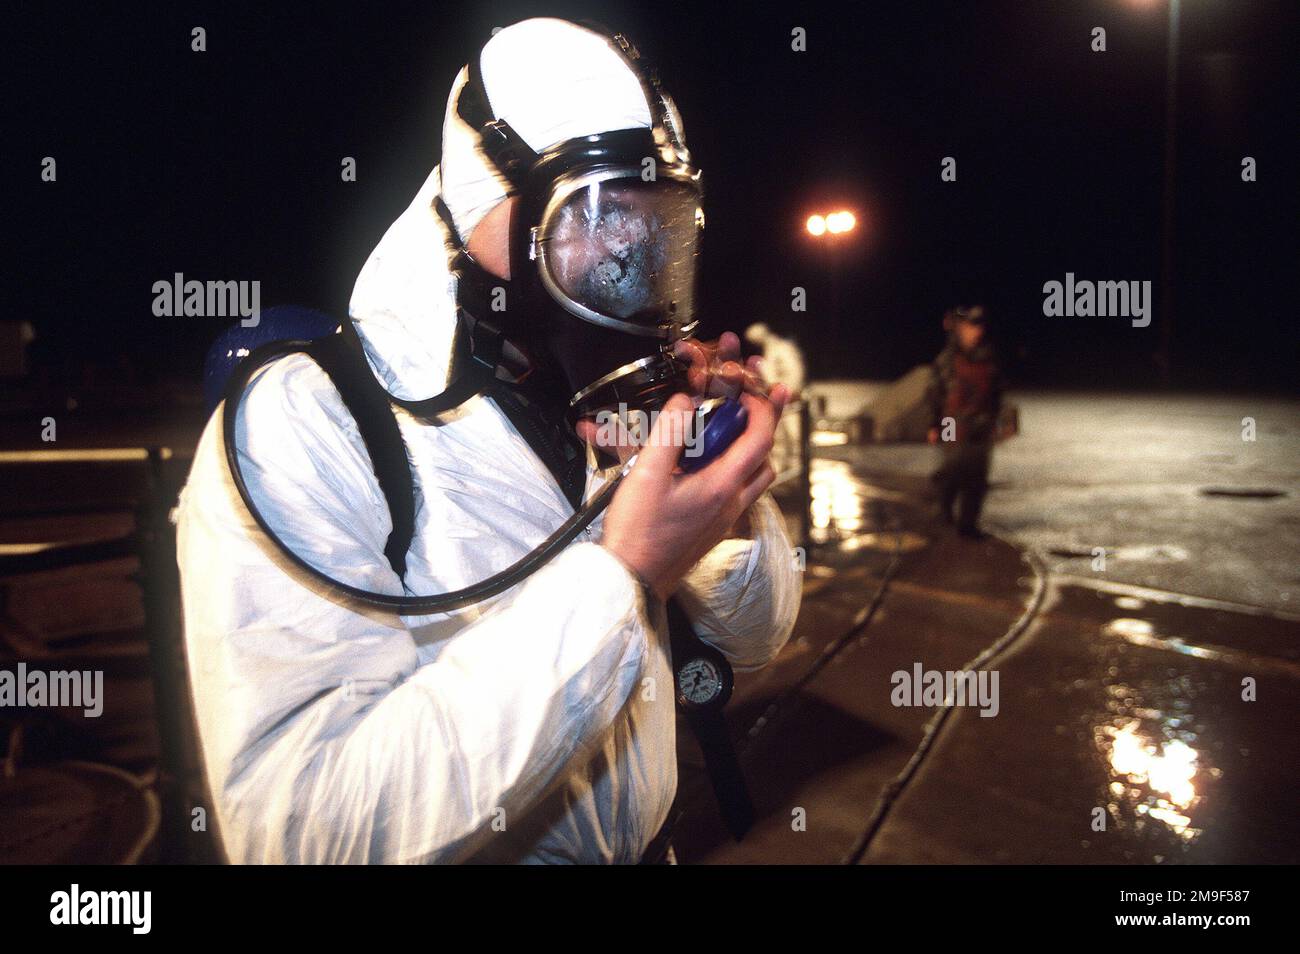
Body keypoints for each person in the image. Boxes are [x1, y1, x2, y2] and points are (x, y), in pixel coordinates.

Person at [174, 18, 800, 864]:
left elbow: (755, 640)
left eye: (653, 224)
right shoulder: (305, 424)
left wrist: (718, 508)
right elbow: (302, 827)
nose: (627, 258)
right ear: (487, 206)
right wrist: (623, 577)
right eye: (599, 214)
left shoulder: (614, 406)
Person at [926, 305, 1003, 539]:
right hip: (951, 422)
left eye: (979, 327)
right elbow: (934, 393)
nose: (976, 332)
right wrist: (933, 424)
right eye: (971, 327)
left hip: (981, 423)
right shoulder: (947, 359)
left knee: (977, 476)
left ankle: (968, 525)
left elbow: (997, 391)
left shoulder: (989, 357)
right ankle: (944, 507)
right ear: (961, 329)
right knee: (952, 468)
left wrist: (996, 420)